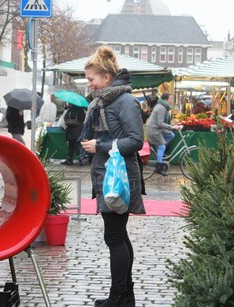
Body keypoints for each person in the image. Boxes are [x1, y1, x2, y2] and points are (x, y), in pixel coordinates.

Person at [79, 46, 146, 307]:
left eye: (91, 79)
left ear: (106, 78)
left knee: (114, 237)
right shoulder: (105, 101)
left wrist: (101, 147)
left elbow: (136, 141)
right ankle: (124, 295)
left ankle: (119, 297)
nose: (89, 84)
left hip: (118, 178)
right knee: (119, 235)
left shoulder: (125, 101)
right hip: (108, 174)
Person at [146, 93, 180, 176]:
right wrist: (172, 127)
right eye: (171, 98)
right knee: (162, 146)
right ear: (166, 99)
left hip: (156, 129)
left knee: (171, 135)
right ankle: (159, 167)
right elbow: (160, 123)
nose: (172, 100)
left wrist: (171, 127)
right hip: (154, 130)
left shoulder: (161, 106)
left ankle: (159, 152)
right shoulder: (161, 108)